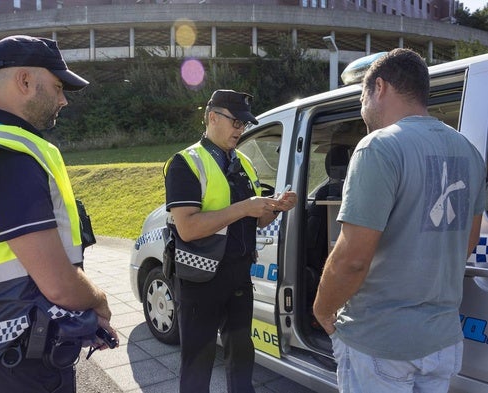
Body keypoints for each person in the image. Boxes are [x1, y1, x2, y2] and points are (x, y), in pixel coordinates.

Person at [0, 35, 118, 393]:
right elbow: (58, 284)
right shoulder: (8, 158)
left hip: (9, 353)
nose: (63, 99)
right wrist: (99, 301)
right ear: (24, 81)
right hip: (25, 362)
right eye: (58, 86)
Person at [313, 48, 486, 392]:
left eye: (362, 96)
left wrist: (322, 310)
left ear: (379, 87)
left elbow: (352, 260)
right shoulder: (469, 152)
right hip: (442, 343)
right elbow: (466, 242)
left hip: (381, 343)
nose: (363, 108)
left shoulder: (377, 147)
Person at [164, 89, 297, 393]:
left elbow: (256, 220)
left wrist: (274, 208)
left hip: (238, 276)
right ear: (213, 117)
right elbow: (187, 229)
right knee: (198, 363)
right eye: (236, 122)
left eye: (244, 124)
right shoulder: (186, 163)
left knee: (241, 356)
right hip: (200, 279)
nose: (241, 130)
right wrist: (246, 206)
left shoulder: (244, 164)